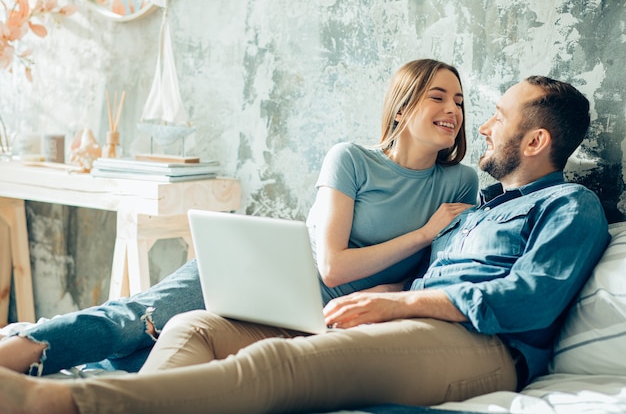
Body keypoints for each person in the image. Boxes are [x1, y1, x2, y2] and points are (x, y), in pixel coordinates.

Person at [0, 75, 611, 414]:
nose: (478, 121)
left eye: (496, 115)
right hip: (392, 319)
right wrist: (378, 298)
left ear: (533, 142)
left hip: (483, 348)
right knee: (193, 326)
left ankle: (66, 405)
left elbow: (528, 298)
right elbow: (417, 277)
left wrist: (394, 305)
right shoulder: (470, 206)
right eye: (446, 100)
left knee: (277, 367)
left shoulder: (570, 207)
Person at [0, 59, 477, 376]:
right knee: (137, 321)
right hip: (267, 277)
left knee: (173, 361)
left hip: (324, 318)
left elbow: (429, 274)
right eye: (438, 96)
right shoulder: (351, 159)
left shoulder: (460, 183)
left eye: (458, 101)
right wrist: (423, 232)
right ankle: (17, 356)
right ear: (402, 107)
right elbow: (332, 265)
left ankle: (68, 371)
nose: (452, 109)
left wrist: (386, 296)